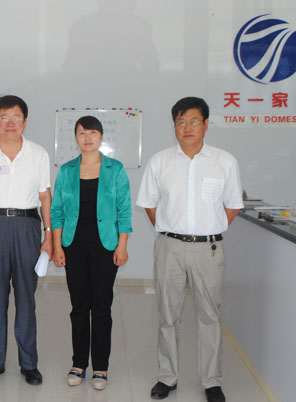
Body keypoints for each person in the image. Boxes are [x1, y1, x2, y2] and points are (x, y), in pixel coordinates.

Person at [136, 97, 243, 402]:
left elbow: (233, 205)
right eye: (181, 122)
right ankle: (167, 377)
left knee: (209, 316)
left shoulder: (224, 161)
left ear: (206, 124)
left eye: (194, 121)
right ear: (174, 126)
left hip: (208, 250)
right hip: (170, 247)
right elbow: (149, 204)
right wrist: (170, 231)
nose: (187, 128)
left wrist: (209, 230)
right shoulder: (160, 162)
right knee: (168, 315)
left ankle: (212, 381)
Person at [0, 95, 53, 386]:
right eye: (4, 117)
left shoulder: (38, 154)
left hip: (27, 226)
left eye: (16, 117)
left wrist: (48, 236)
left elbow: (45, 197)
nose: (10, 123)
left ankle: (29, 364)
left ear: (25, 122)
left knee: (27, 297)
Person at [51, 116, 132, 390]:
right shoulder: (67, 170)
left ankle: (100, 367)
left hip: (105, 247)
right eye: (82, 133)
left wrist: (122, 245)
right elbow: (57, 211)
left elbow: (124, 210)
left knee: (101, 307)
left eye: (93, 132)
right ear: (75, 137)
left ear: (101, 136)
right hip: (73, 246)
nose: (87, 138)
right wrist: (57, 246)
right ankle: (78, 363)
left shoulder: (115, 169)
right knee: (78, 307)